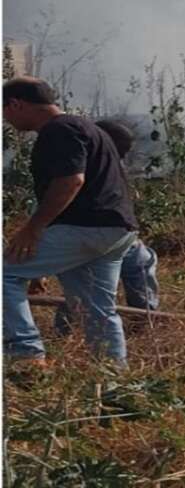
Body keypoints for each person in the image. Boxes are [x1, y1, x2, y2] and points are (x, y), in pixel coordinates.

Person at [3, 77, 138, 366]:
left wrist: (33, 229)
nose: (6, 119)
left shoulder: (58, 130)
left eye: (5, 111)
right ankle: (112, 379)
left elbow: (70, 181)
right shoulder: (86, 127)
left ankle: (25, 354)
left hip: (84, 228)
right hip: (115, 231)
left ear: (17, 104)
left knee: (5, 274)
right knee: (96, 309)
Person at [47, 119, 159, 335]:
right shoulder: (71, 168)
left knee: (141, 262)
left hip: (118, 237)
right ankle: (65, 333)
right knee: (83, 288)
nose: (122, 156)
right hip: (82, 238)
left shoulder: (111, 166)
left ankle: (144, 323)